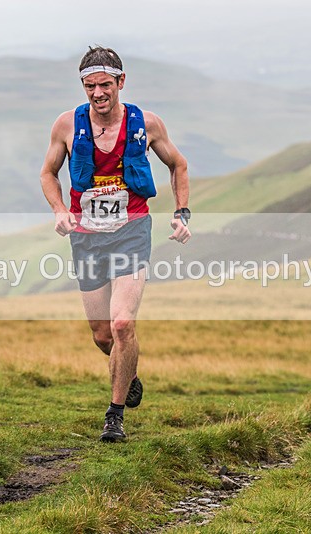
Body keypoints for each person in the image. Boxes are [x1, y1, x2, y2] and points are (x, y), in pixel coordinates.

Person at [40, 46, 191, 441]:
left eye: (104, 85)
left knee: (123, 323)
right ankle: (130, 371)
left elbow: (178, 164)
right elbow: (47, 174)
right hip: (87, 237)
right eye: (89, 86)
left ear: (121, 82)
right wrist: (59, 209)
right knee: (103, 334)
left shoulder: (147, 123)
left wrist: (182, 212)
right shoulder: (66, 125)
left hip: (132, 230)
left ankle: (115, 415)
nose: (97, 93)